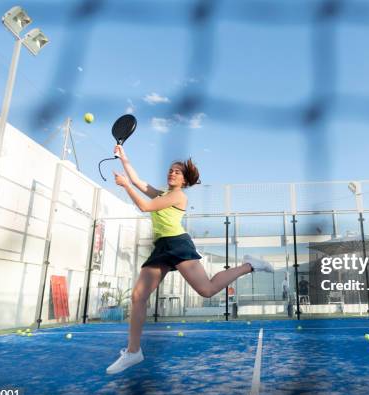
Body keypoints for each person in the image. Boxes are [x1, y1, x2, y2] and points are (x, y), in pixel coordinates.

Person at [106, 145, 273, 374]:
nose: (171, 173)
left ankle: (250, 265)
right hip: (162, 247)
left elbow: (144, 206)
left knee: (207, 290)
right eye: (170, 170)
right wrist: (124, 158)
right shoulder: (163, 194)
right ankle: (133, 352)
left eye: (177, 171)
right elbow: (137, 181)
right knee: (138, 296)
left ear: (184, 180)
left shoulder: (177, 195)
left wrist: (125, 186)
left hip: (178, 244)